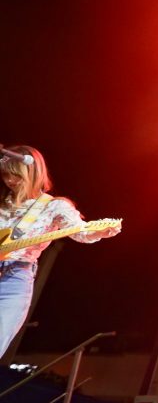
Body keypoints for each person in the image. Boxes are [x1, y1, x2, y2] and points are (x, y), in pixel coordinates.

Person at [1, 145, 121, 356]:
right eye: (6, 175)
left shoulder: (53, 206)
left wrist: (99, 231)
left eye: (16, 175)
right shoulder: (2, 204)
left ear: (33, 172)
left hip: (16, 276)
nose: (10, 181)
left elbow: (80, 232)